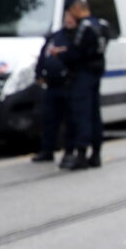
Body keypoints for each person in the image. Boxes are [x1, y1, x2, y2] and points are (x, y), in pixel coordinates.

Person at [58, 0, 107, 171]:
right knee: (94, 114)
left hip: (82, 75)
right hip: (95, 74)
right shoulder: (101, 25)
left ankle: (81, 154)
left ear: (75, 9)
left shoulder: (84, 27)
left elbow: (75, 52)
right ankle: (96, 153)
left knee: (81, 115)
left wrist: (61, 54)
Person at [32, 11, 77, 165]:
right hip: (52, 85)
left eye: (72, 18)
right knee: (49, 119)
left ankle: (69, 151)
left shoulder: (77, 37)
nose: (69, 20)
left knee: (70, 121)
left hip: (69, 85)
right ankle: (47, 150)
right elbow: (43, 55)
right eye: (67, 17)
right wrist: (39, 73)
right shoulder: (55, 36)